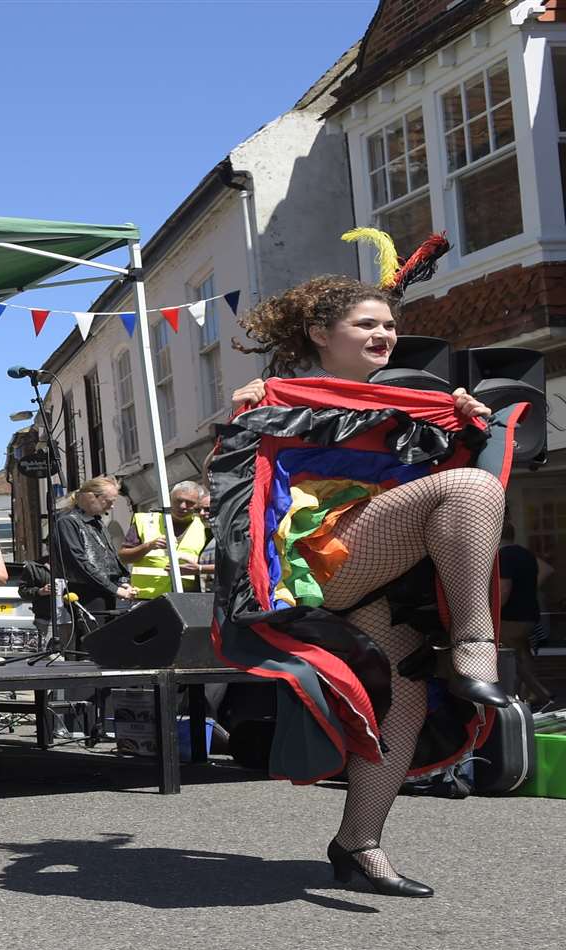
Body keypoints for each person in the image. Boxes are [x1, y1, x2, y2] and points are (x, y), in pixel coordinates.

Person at [214, 238, 516, 899]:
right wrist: (248, 410)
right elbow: (244, 481)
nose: (384, 333)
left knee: (402, 700)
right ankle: (475, 641)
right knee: (471, 489)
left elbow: (436, 484)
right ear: (323, 334)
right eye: (367, 324)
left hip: (385, 566)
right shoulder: (276, 397)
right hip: (319, 560)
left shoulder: (417, 405)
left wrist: (465, 426)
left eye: (389, 324)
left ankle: (360, 844)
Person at [51, 475, 136, 614]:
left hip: (104, 591)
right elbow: (79, 562)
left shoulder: (97, 522)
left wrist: (122, 582)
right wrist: (115, 589)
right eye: (109, 501)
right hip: (86, 595)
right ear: (92, 497)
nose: (112, 506)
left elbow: (111, 558)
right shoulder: (68, 522)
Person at [120, 480, 208, 597]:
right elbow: (123, 557)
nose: (182, 506)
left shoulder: (204, 526)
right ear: (170, 500)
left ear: (198, 504)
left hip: (187, 599)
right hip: (147, 598)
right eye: (178, 501)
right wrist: (149, 546)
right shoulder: (146, 521)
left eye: (189, 502)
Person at [498, 519, 553, 707]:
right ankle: (527, 694)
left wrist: (490, 612)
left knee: (507, 655)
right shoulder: (526, 554)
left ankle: (538, 691)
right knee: (522, 652)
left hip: (511, 617)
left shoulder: (503, 556)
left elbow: (503, 590)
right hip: (529, 614)